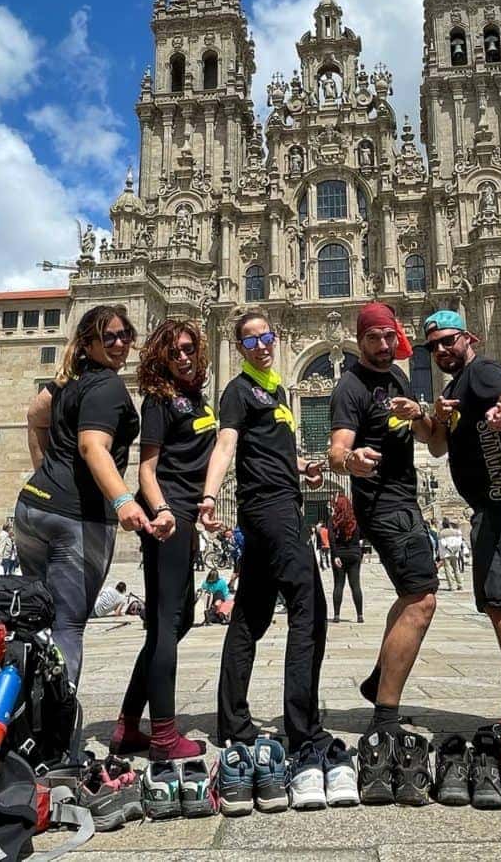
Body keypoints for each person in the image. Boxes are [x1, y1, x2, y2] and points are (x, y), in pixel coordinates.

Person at [198, 310, 331, 759]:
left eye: (266, 336)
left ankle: (231, 722)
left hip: (276, 503)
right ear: (239, 348)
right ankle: (303, 728)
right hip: (270, 509)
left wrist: (303, 467)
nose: (261, 345)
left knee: (250, 616)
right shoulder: (238, 391)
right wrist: (211, 495)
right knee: (308, 608)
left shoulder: (276, 391)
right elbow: (227, 443)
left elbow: (271, 451)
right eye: (251, 340)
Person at [17, 304, 173, 689]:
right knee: (67, 625)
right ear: (88, 343)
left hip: (34, 509)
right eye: (110, 337)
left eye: (125, 336)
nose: (120, 344)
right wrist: (123, 500)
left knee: (39, 618)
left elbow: (34, 415)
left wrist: (45, 474)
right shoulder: (107, 386)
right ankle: (56, 727)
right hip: (76, 516)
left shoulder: (69, 381)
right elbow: (92, 446)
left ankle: (24, 710)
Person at [328, 301, 439, 736]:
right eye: (373, 337)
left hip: (405, 498)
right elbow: (337, 450)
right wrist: (350, 460)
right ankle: (385, 717)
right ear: (360, 341)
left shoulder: (398, 377)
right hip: (382, 505)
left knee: (413, 594)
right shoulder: (349, 387)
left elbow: (432, 441)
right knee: (422, 600)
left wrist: (422, 414)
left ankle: (379, 681)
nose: (382, 344)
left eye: (389, 336)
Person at [423, 309, 501, 679]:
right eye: (434, 346)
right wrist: (437, 418)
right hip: (490, 504)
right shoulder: (451, 389)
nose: (442, 350)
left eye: (449, 340)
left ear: (469, 338)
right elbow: (435, 449)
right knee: (494, 601)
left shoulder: (483, 372)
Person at [111, 319, 216, 760]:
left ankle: (127, 726)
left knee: (175, 623)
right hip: (166, 516)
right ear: (160, 357)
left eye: (189, 348)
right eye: (174, 352)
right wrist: (166, 511)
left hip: (185, 518)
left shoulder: (194, 397)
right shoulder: (158, 399)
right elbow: (146, 470)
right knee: (166, 624)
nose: (184, 357)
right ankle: (164, 736)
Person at [328, 493, 364, 623]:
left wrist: (335, 555)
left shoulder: (333, 520)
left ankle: (337, 615)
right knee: (356, 585)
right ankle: (360, 615)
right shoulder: (355, 520)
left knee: (338, 585)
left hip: (340, 555)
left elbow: (331, 539)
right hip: (354, 554)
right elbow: (361, 536)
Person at [438, 518, 464, 591]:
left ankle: (451, 586)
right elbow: (459, 542)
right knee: (456, 569)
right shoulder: (456, 532)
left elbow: (443, 543)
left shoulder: (441, 532)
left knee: (448, 569)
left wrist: (449, 548)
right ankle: (460, 584)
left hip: (446, 553)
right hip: (455, 553)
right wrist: (455, 550)